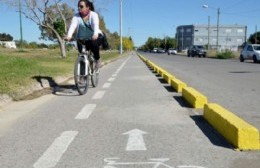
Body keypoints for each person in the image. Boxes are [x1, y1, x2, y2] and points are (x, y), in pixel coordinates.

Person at [65, 0, 103, 68]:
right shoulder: (76, 16)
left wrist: (95, 34)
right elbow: (73, 26)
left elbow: (95, 25)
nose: (79, 8)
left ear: (88, 7)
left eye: (81, 6)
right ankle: (82, 77)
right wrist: (69, 36)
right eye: (78, 6)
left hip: (95, 36)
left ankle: (97, 59)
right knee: (81, 55)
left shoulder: (93, 15)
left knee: (93, 43)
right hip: (83, 38)